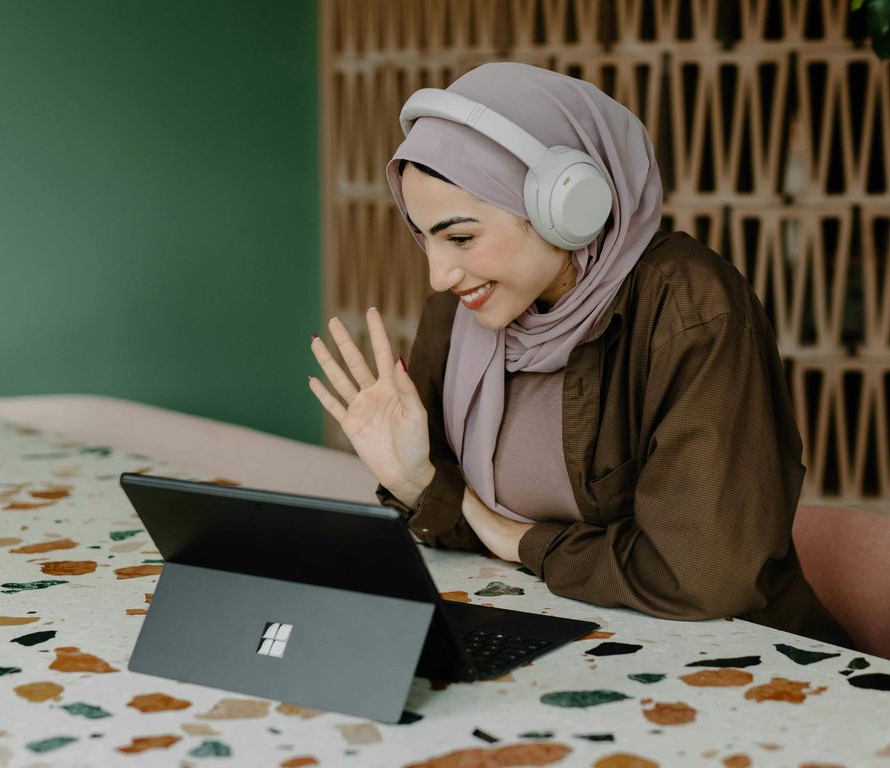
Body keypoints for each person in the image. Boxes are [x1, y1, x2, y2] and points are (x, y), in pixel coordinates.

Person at [307, 62, 851, 648]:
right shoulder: (459, 314)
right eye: (426, 238)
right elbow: (459, 537)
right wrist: (416, 482)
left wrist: (516, 538)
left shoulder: (687, 306)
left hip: (740, 659)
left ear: (564, 206)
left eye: (461, 237)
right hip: (553, 637)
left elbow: (701, 575)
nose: (440, 275)